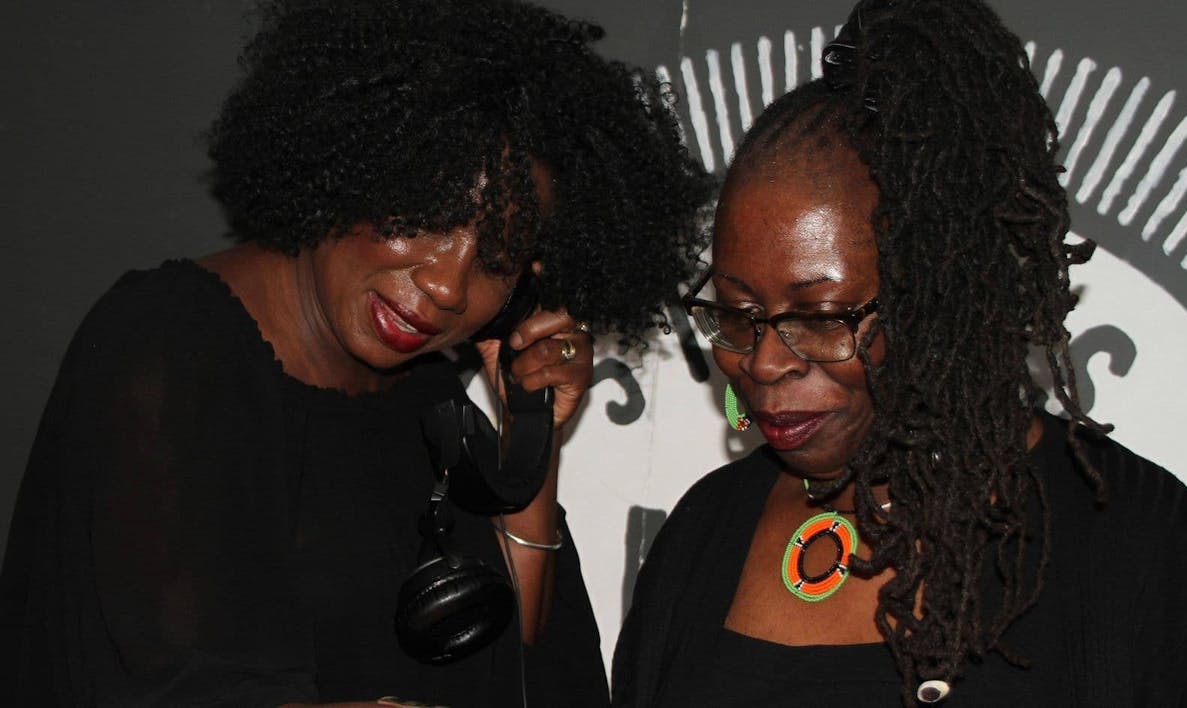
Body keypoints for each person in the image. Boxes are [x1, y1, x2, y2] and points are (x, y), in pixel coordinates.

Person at [0, 0, 710, 706]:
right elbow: (192, 686)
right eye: (427, 214)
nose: (446, 285)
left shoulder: (425, 394)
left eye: (497, 258)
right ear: (351, 161)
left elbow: (511, 661)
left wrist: (532, 445)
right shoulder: (169, 342)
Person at [612, 0, 1187, 706]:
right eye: (738, 314)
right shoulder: (705, 531)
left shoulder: (1133, 535)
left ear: (943, 292)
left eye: (821, 318)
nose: (763, 363)